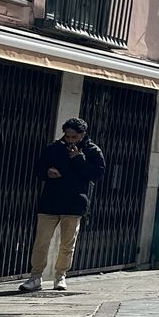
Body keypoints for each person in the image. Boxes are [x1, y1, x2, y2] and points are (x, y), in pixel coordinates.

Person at [21, 117, 105, 292]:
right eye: (67, 136)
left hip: (74, 203)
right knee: (41, 241)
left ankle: (60, 276)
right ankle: (35, 276)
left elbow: (97, 174)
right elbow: (38, 168)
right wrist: (47, 172)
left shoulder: (92, 151)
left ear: (82, 135)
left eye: (74, 137)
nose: (70, 140)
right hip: (50, 201)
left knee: (67, 243)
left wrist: (79, 159)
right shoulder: (54, 148)